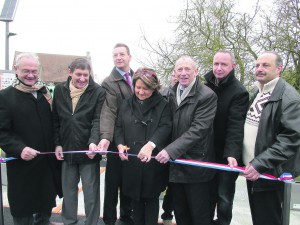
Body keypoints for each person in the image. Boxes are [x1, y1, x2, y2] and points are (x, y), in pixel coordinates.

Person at [156, 55, 218, 225]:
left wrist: (170, 150)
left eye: (187, 69)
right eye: (180, 69)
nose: (183, 73)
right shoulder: (168, 93)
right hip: (175, 167)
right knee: (181, 214)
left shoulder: (207, 96)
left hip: (196, 165)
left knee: (199, 216)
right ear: (175, 72)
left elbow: (199, 129)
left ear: (196, 71)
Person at [0, 52, 60, 225]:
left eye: (34, 71)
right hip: (22, 165)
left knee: (45, 204)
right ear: (16, 69)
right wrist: (20, 149)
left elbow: (55, 123)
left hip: (46, 164)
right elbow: (2, 131)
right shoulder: (5, 97)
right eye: (26, 70)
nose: (31, 75)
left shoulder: (45, 94)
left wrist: (57, 144)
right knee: (23, 208)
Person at [243, 51, 300, 225]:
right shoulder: (258, 92)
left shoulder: (289, 98)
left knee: (268, 220)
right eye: (257, 65)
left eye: (265, 65)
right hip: (254, 171)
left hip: (270, 174)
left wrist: (260, 163)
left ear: (279, 69)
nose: (259, 69)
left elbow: (290, 139)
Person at [115, 67, 172, 225]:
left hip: (152, 161)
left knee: (151, 198)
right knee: (135, 199)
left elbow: (165, 126)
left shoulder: (163, 104)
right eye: (138, 87)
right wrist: (120, 145)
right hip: (132, 160)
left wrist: (151, 144)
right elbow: (118, 127)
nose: (140, 92)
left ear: (154, 87)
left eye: (145, 88)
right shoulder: (126, 104)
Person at [53, 58, 106, 225]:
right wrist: (57, 143)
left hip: (88, 153)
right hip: (67, 150)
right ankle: (69, 221)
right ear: (70, 72)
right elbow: (55, 120)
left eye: (86, 75)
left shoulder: (98, 91)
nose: (82, 79)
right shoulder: (59, 90)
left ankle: (91, 223)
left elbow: (97, 120)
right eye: (78, 74)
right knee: (68, 193)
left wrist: (93, 142)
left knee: (91, 193)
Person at [204, 50, 249, 225]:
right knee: (207, 194)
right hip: (206, 152)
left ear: (233, 66)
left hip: (226, 155)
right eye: (216, 64)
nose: (219, 68)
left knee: (223, 196)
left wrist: (232, 153)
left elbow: (236, 125)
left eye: (224, 64)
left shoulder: (239, 92)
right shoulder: (206, 86)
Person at [98, 43, 134, 225]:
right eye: (115, 55)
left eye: (122, 54)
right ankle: (110, 220)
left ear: (130, 57)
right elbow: (109, 111)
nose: (118, 58)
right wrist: (106, 136)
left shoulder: (137, 78)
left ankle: (127, 217)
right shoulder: (109, 82)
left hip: (133, 139)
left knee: (129, 181)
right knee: (112, 183)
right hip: (115, 138)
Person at [160, 71, 178, 225]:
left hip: (178, 145)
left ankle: (167, 214)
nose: (178, 76)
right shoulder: (163, 94)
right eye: (175, 73)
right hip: (161, 145)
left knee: (173, 184)